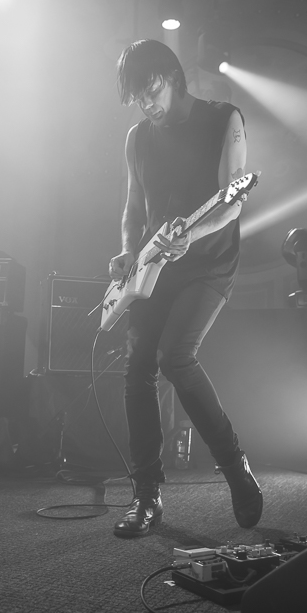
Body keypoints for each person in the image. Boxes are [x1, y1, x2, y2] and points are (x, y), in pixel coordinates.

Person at [109, 39, 262, 537]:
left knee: (176, 357)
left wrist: (190, 236)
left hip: (210, 263)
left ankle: (234, 466)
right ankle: (147, 497)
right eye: (136, 97)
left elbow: (232, 200)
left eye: (149, 89)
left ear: (173, 75)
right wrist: (130, 251)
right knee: (137, 369)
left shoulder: (223, 119)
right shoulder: (137, 137)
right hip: (156, 267)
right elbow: (133, 209)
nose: (145, 102)